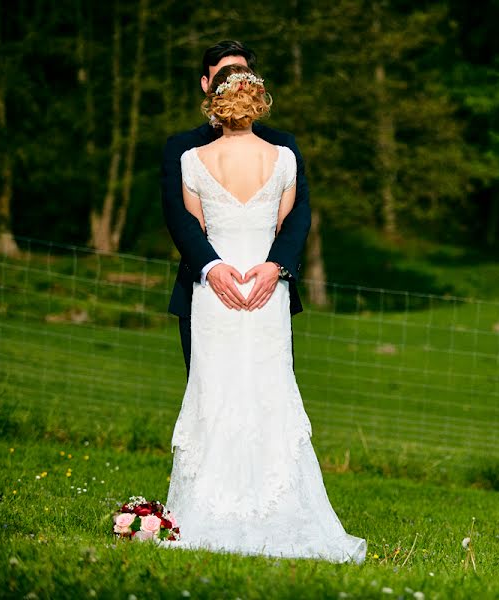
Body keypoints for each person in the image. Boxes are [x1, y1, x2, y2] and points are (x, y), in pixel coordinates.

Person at [160, 55, 366, 563]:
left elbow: (196, 223)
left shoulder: (193, 161)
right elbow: (284, 220)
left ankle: (208, 506)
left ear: (216, 101)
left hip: (220, 295)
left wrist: (230, 266)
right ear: (258, 101)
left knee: (217, 392)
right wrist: (263, 266)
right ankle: (277, 506)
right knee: (268, 392)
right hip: (262, 291)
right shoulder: (284, 158)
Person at [161, 40, 308, 376]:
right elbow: (178, 218)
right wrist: (210, 266)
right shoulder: (182, 148)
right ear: (206, 85)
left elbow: (299, 213)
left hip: (268, 288)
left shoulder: (283, 145)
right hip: (205, 289)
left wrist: (277, 266)